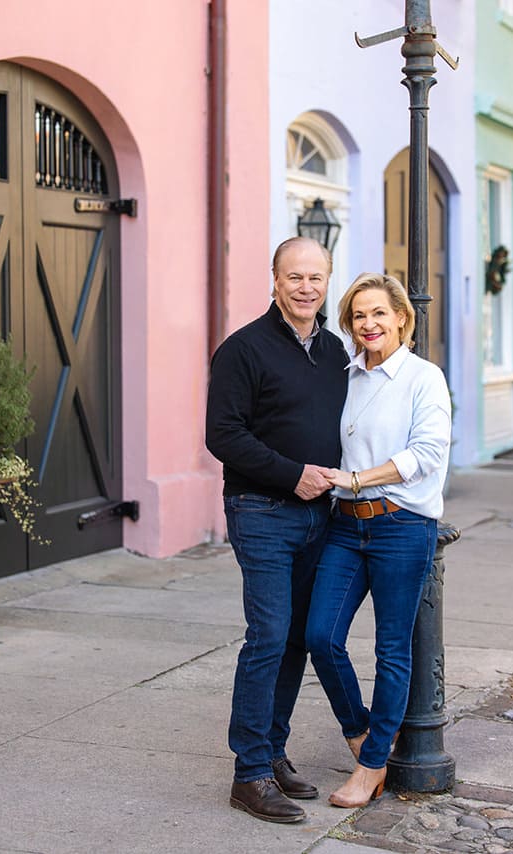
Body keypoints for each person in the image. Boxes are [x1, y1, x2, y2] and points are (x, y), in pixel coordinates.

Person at [205, 236, 349, 824]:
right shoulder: (242, 350)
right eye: (295, 277)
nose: (306, 287)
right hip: (261, 511)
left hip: (323, 516)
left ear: (326, 280)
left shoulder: (336, 351)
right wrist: (294, 477)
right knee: (267, 634)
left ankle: (274, 751)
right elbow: (224, 436)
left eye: (316, 277)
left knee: (296, 638)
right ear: (274, 279)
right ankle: (249, 773)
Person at [305, 273, 450, 808]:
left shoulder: (423, 378)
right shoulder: (346, 378)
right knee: (320, 635)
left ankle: (371, 768)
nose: (368, 324)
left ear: (401, 319)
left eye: (378, 314)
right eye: (358, 316)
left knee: (392, 650)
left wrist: (359, 478)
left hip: (402, 527)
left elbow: (428, 454)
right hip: (346, 526)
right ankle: (362, 732)